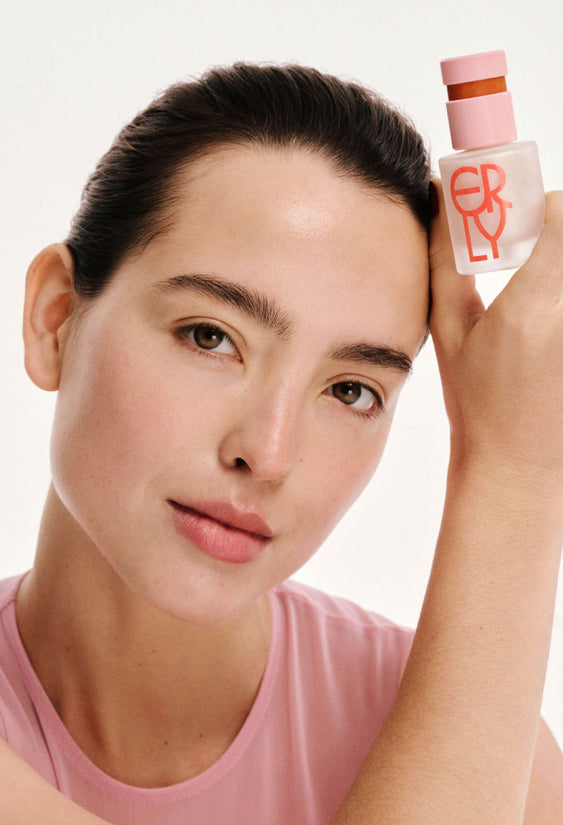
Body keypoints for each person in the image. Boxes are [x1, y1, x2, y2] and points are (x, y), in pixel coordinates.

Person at [0, 63, 561, 824]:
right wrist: (512, 471)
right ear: (56, 319)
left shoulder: (496, 756)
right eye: (210, 337)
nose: (267, 453)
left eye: (350, 390)